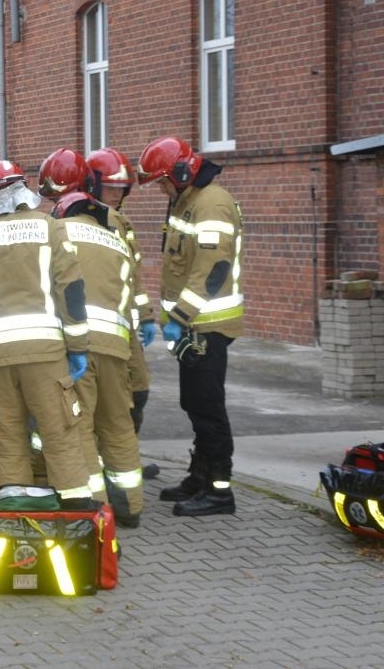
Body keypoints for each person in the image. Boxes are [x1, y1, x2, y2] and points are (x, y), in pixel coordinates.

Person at [0, 160, 93, 503]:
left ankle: (17, 520)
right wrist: (78, 347)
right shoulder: (50, 227)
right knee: (60, 433)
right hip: (47, 354)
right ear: (23, 189)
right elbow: (71, 289)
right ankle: (76, 519)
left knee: (8, 437)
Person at [137, 136, 245, 517]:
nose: (161, 190)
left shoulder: (211, 204)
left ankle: (219, 490)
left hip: (207, 325)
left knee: (208, 408)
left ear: (182, 173)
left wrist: (179, 318)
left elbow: (213, 269)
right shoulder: (185, 202)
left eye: (163, 182)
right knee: (194, 403)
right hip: (192, 326)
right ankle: (200, 477)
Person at [49, 189, 145, 527]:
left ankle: (97, 512)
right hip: (117, 350)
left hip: (80, 346)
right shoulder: (116, 242)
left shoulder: (58, 233)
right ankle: (130, 506)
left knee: (81, 429)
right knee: (118, 426)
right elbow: (131, 300)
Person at [85, 147, 162, 480]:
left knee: (136, 393)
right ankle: (113, 465)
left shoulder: (116, 220)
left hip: (124, 325)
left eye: (121, 189)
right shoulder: (100, 219)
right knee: (117, 400)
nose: (116, 195)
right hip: (106, 328)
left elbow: (132, 276)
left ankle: (123, 459)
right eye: (111, 188)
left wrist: (144, 315)